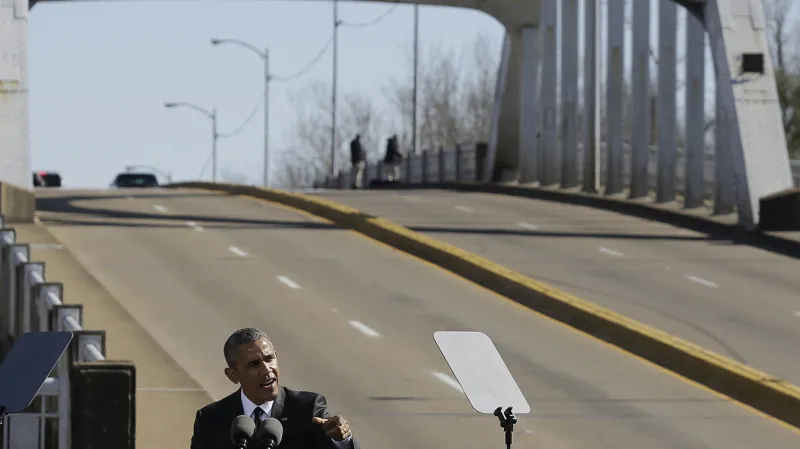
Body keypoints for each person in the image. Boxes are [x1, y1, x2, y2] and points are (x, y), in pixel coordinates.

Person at [190, 328, 360, 449]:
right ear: (233, 375)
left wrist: (343, 440)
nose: (266, 370)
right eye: (253, 364)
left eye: (269, 358)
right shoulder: (211, 419)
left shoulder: (307, 409)